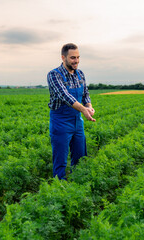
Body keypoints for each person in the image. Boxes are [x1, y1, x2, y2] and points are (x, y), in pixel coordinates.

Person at [47, 43, 96, 180]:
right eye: (73, 58)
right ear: (63, 57)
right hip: (61, 122)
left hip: (77, 121)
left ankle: (77, 185)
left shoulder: (80, 74)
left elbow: (85, 93)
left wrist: (89, 106)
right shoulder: (54, 75)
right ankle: (59, 190)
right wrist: (83, 110)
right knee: (60, 161)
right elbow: (65, 96)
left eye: (78, 57)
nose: (76, 61)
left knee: (80, 157)